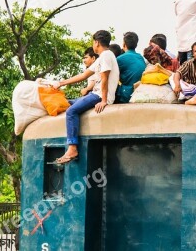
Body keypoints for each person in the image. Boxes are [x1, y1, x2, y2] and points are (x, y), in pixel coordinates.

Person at [51, 30, 119, 164]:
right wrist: (61, 83)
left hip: (99, 96)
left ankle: (72, 148)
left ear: (96, 42)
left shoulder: (106, 55)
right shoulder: (102, 57)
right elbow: (84, 75)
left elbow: (105, 79)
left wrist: (104, 101)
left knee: (71, 111)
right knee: (67, 103)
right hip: (97, 94)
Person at [115, 31, 146, 103]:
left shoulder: (120, 59)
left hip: (127, 94)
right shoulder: (140, 57)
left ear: (123, 44)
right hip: (140, 92)